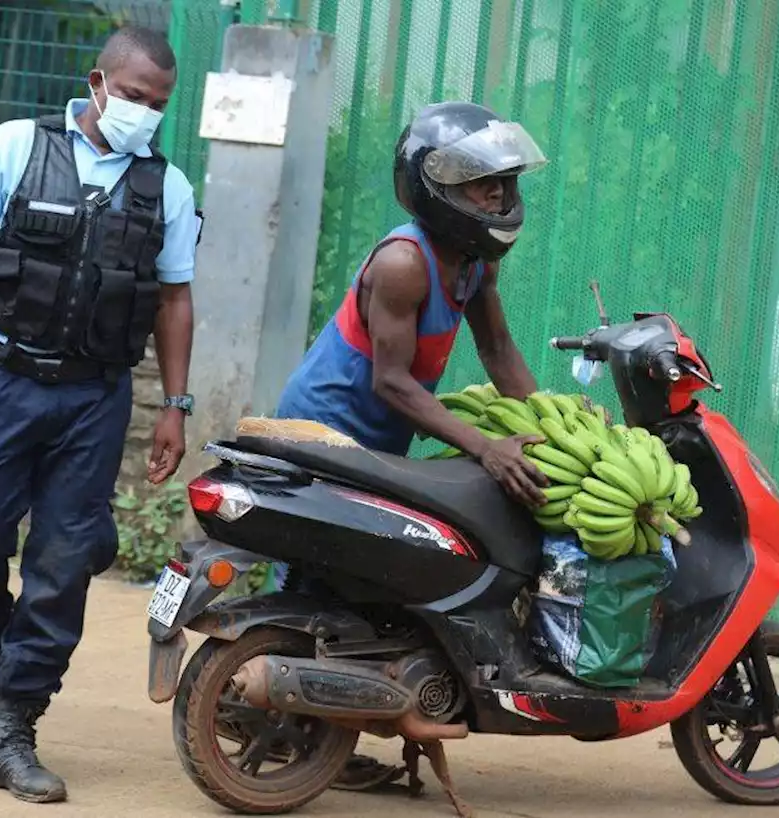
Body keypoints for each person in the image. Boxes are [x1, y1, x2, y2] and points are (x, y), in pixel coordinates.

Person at [0, 25, 200, 804]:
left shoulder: (167, 188)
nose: (144, 113)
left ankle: (13, 727)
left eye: (158, 105)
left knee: (65, 563)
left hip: (96, 398)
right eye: (133, 96)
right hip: (7, 383)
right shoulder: (15, 147)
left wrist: (175, 403)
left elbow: (173, 299)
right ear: (98, 82)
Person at [271, 101, 551, 790]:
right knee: (319, 579)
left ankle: (323, 722)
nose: (502, 197)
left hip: (381, 434)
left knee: (363, 581)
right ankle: (283, 725)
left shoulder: (473, 263)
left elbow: (498, 349)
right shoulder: (403, 263)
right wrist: (489, 448)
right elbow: (392, 383)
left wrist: (555, 428)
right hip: (327, 428)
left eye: (507, 183)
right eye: (486, 184)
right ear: (438, 190)